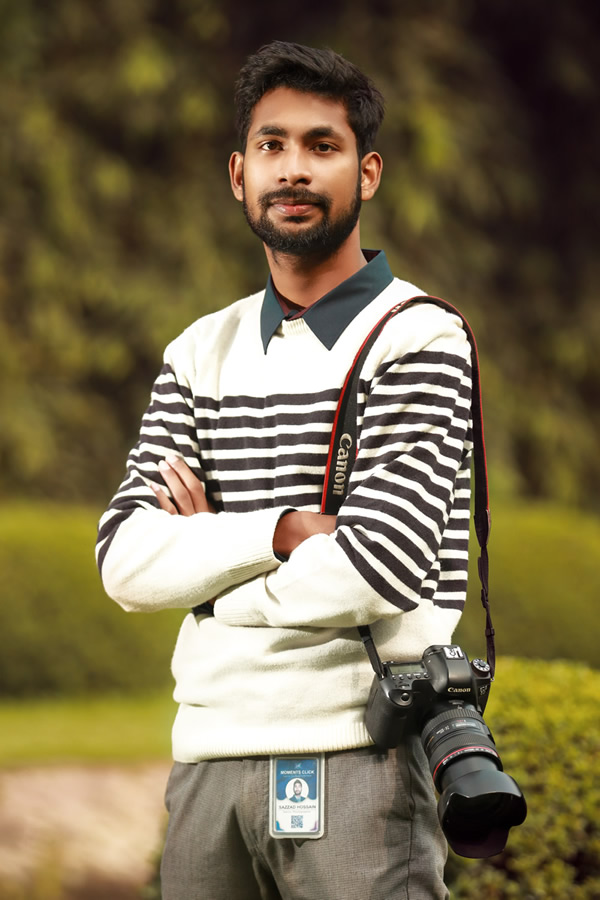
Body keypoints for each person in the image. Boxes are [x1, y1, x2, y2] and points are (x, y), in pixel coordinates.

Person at [96, 40, 473, 900]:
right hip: (206, 762)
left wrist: (209, 573)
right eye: (272, 147)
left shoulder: (417, 337)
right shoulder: (201, 352)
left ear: (367, 173)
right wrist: (281, 531)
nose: (293, 170)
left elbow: (376, 566)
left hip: (359, 753)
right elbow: (123, 558)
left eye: (321, 146)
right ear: (238, 174)